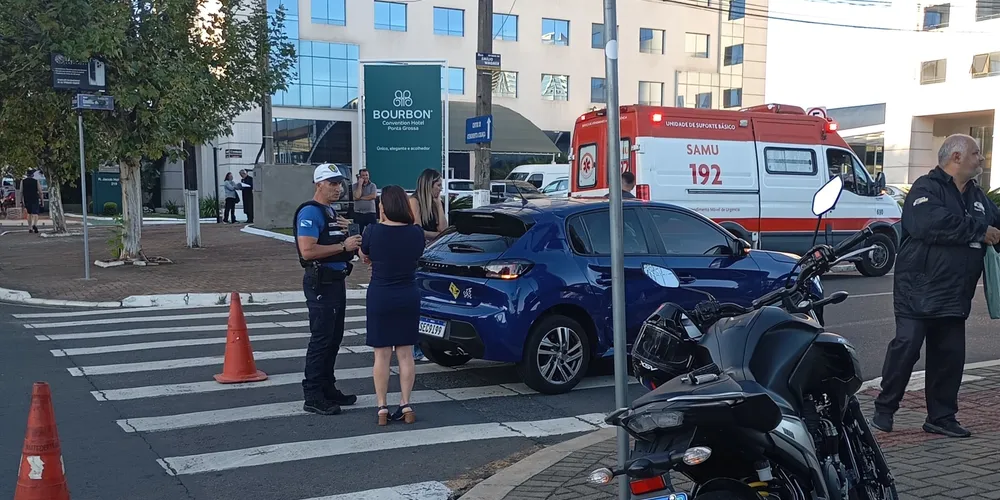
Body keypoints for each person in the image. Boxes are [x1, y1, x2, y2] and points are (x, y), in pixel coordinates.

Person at [872, 134, 999, 438]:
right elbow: (929, 223)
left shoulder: (978, 198)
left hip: (955, 294)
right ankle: (884, 409)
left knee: (950, 356)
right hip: (917, 289)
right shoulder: (926, 188)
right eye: (975, 153)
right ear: (956, 157)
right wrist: (980, 231)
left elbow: (996, 227)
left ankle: (941, 418)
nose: (980, 159)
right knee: (907, 347)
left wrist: (989, 232)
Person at [293, 164, 363, 415]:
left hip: (335, 281)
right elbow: (308, 251)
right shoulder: (311, 213)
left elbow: (333, 242)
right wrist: (343, 246)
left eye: (340, 183)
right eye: (332, 183)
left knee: (334, 338)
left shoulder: (330, 211)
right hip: (321, 283)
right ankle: (312, 393)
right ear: (319, 184)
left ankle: (327, 386)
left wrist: (345, 234)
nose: (338, 188)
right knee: (322, 339)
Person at [358, 185, 426, 426]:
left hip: (381, 295)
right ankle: (406, 404)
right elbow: (417, 255)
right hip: (408, 293)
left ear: (383, 206)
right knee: (406, 354)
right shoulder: (416, 233)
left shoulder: (372, 231)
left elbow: (365, 255)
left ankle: (382, 407)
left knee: (382, 355)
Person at [409, 168, 447, 241]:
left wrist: (439, 205)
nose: (441, 188)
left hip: (436, 245)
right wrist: (439, 234)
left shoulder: (437, 202)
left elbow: (444, 230)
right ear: (429, 185)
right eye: (439, 185)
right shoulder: (414, 201)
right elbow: (418, 231)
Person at [352, 168, 378, 235]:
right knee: (357, 233)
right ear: (360, 176)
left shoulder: (373, 185)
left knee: (373, 232)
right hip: (358, 213)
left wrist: (361, 198)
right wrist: (360, 184)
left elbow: (373, 196)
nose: (365, 177)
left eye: (366, 175)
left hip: (370, 213)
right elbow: (357, 196)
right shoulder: (355, 186)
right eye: (363, 175)